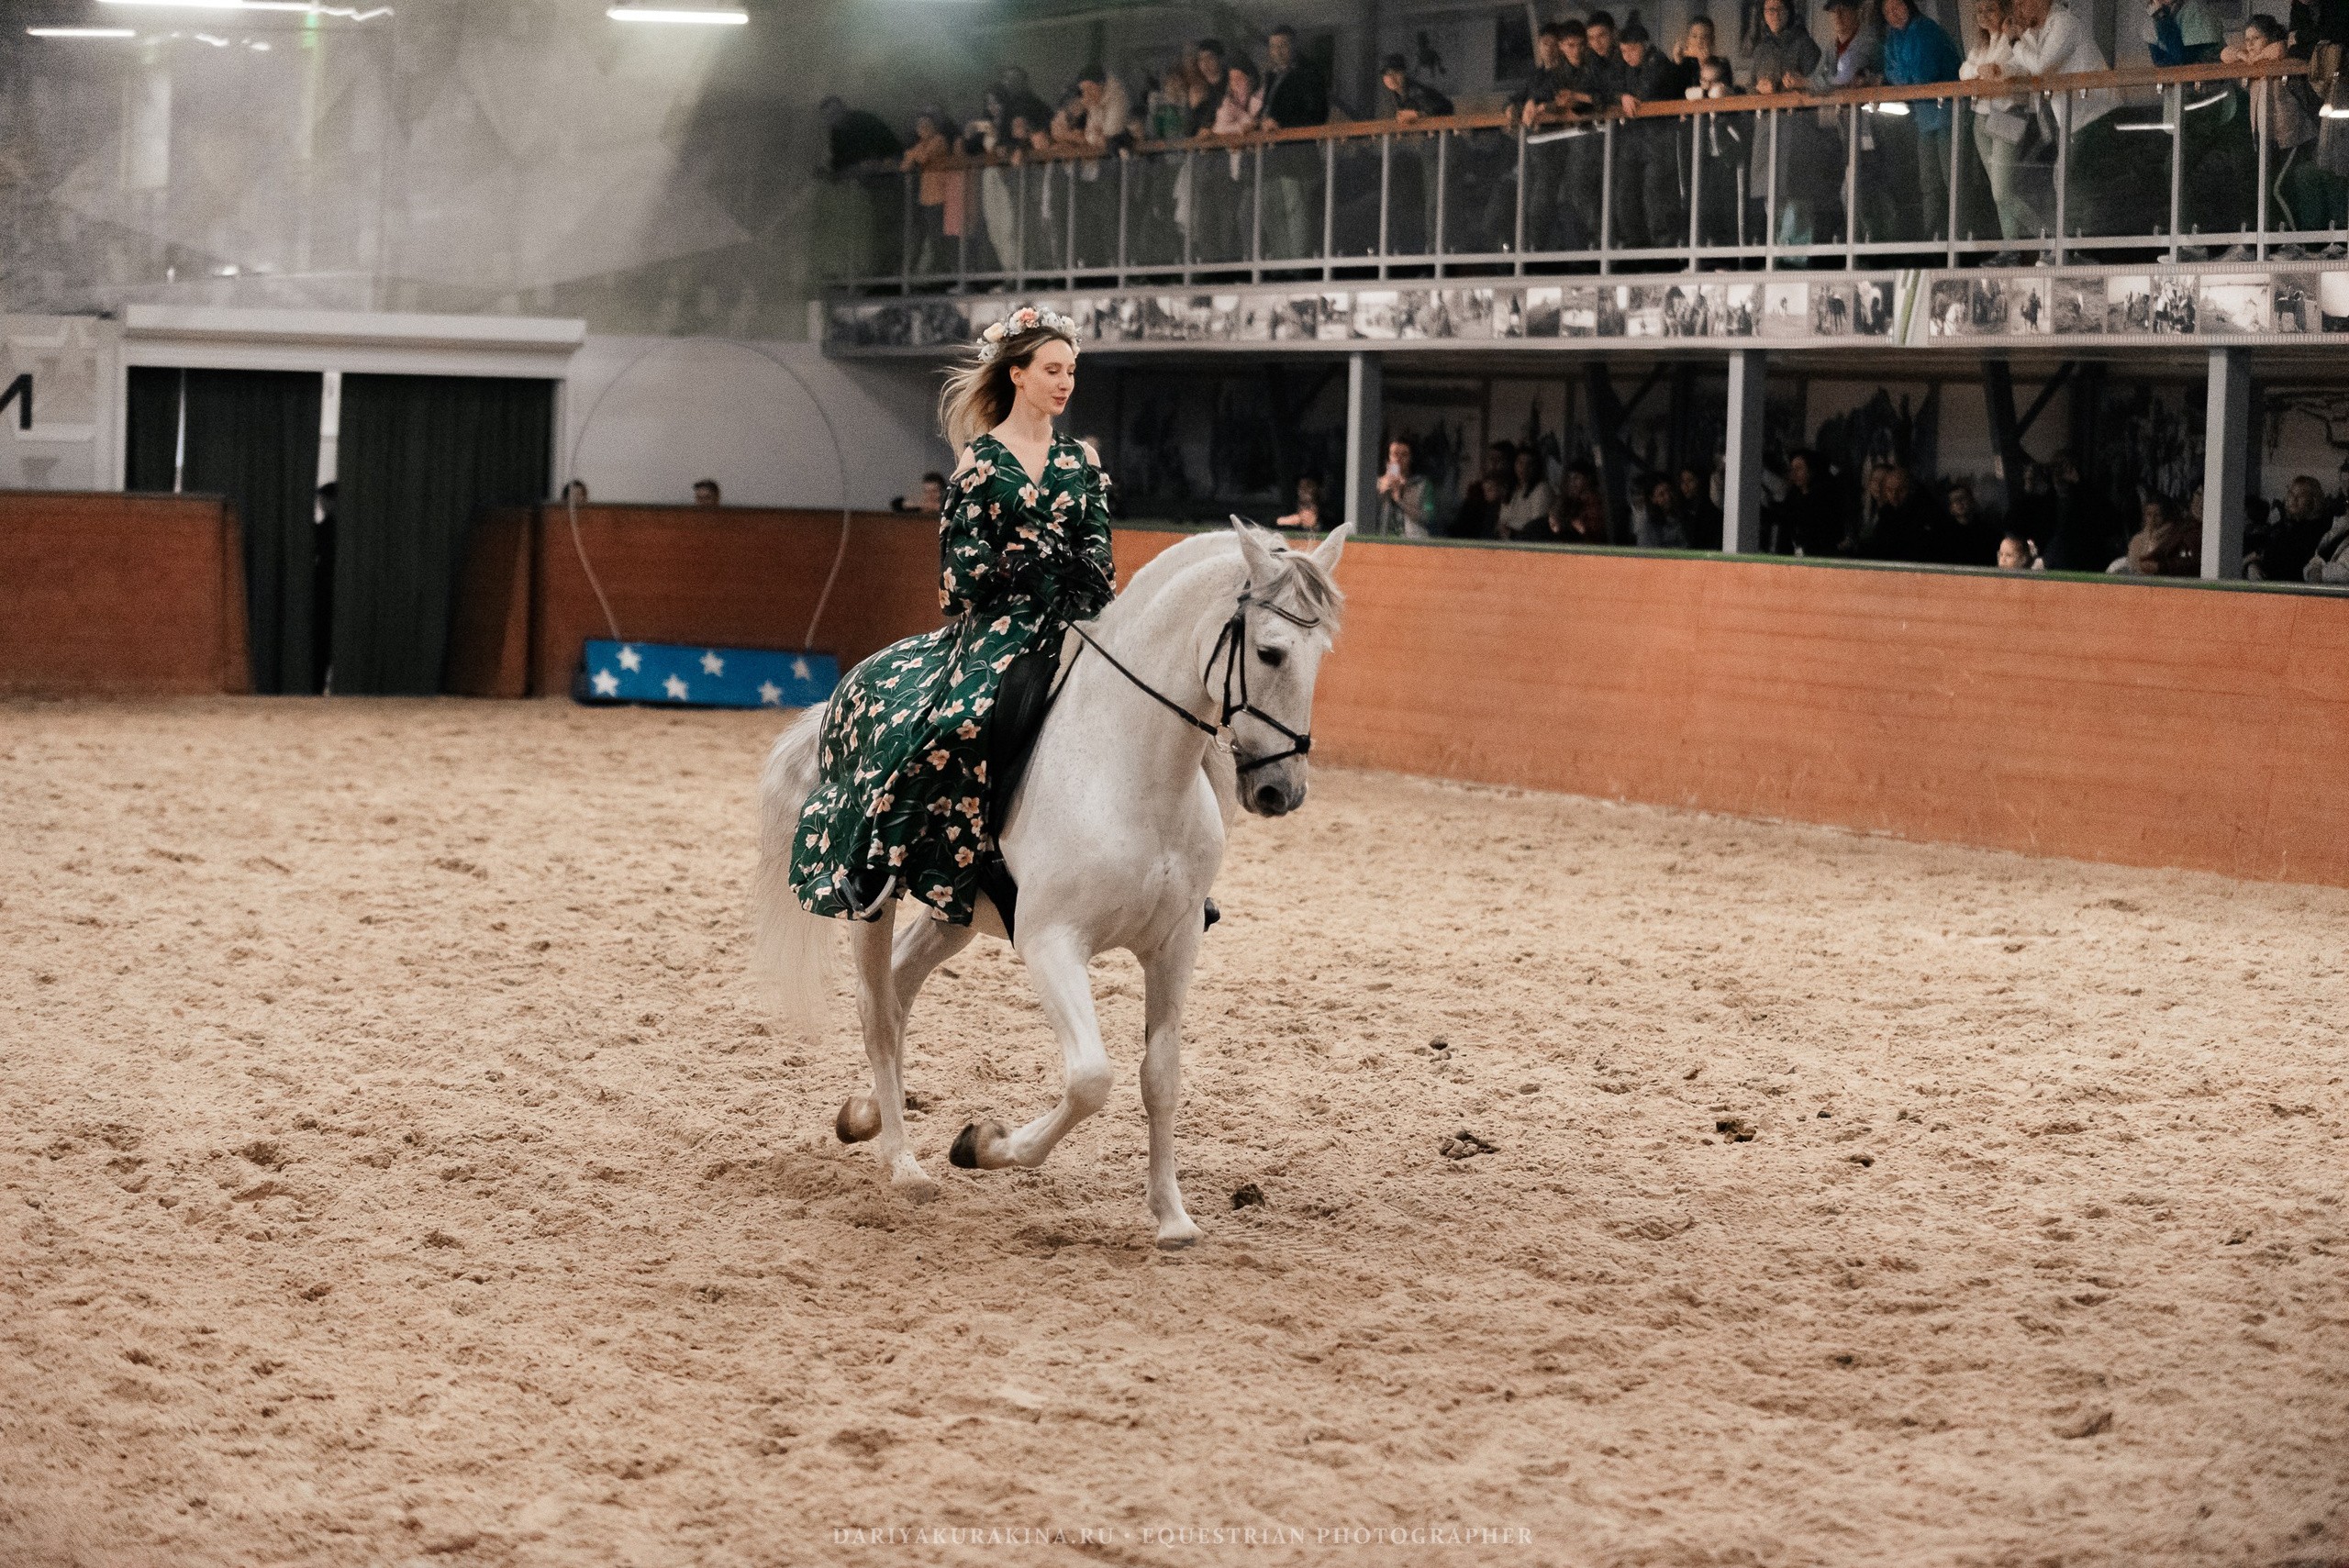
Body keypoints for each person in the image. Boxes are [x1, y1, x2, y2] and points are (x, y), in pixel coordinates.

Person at [787, 306, 1113, 927]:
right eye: (1052, 369)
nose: (1065, 382)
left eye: (1071, 370)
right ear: (1018, 374)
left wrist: (1080, 571)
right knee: (956, 723)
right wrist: (1023, 569)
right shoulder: (979, 463)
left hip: (1078, 623)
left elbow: (1099, 553)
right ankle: (877, 861)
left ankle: (1170, 875)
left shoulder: (1084, 463)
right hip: (998, 629)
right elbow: (959, 574)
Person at [1985, 0, 2122, 239]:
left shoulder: (2063, 23)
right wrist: (2000, 70)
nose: (2018, 8)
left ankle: (2074, 246)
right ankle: (2067, 244)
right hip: (2063, 121)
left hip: (2091, 115)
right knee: (2064, 182)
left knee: (2070, 182)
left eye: (2023, 2)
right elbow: (2019, 64)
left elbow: (2040, 65)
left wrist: (2014, 41)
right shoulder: (2031, 32)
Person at [1746, 0, 1826, 255]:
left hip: (1797, 134)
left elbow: (1821, 85)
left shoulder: (1805, 45)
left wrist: (1800, 83)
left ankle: (1795, 261)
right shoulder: (1760, 50)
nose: (1773, 14)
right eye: (1769, 9)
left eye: (1778, 9)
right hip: (1768, 132)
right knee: (1772, 202)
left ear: (1789, 12)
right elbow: (1748, 88)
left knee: (1797, 199)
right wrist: (1759, 89)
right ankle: (1777, 258)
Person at [1881, 0, 1964, 244]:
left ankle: (1958, 238)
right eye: (1887, 12)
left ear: (1909, 5)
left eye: (1897, 7)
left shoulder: (1926, 29)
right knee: (1930, 184)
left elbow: (1923, 74)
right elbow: (1892, 73)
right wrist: (1905, 79)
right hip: (1924, 120)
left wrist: (1905, 79)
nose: (1893, 15)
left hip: (1949, 114)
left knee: (1952, 182)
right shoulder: (1894, 39)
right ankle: (1934, 239)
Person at [1961, 0, 2033, 261]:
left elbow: (2002, 69)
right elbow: (1964, 71)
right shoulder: (1982, 45)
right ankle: (2010, 248)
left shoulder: (2013, 39)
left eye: (1990, 9)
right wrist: (1979, 69)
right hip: (1981, 117)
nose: (1984, 15)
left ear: (2003, 11)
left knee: (2002, 190)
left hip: (2008, 113)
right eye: (1979, 11)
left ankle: (2045, 234)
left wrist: (1982, 71)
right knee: (1998, 191)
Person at [1613, 20, 1687, 250]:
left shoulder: (1659, 63)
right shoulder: (1626, 69)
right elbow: (1607, 87)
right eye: (1623, 51)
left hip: (1659, 141)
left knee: (1656, 199)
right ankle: (1636, 250)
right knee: (1626, 197)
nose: (1627, 56)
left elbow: (1647, 91)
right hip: (1634, 142)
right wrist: (1619, 96)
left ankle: (1661, 253)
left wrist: (1625, 94)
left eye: (1632, 50)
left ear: (1644, 45)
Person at [1260, 26, 1330, 261]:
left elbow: (1316, 114)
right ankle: (1282, 261)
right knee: (1272, 210)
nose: (1277, 51)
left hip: (1297, 155)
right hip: (1273, 157)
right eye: (1273, 46)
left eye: (1283, 45)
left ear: (1294, 46)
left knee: (1295, 209)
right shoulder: (1272, 76)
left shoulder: (1308, 73)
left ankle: (1296, 262)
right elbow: (1269, 110)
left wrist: (1279, 123)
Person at [2248, 473, 2335, 578]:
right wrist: (2254, 565)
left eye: (2301, 495)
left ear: (2313, 499)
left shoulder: (2323, 530)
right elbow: (2264, 552)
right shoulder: (2282, 527)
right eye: (2291, 493)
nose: (2294, 498)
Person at [1763, 449, 1841, 555]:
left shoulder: (1824, 500)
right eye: (1792, 469)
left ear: (1812, 470)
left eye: (1799, 468)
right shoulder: (1792, 497)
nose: (1794, 474)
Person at [2112, 495, 2200, 575]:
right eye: (2149, 514)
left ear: (2165, 516)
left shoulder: (2173, 539)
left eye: (2157, 515)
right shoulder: (2137, 540)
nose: (2152, 519)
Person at [1452, 441, 1519, 538]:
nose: (1494, 463)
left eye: (1499, 459)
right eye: (1491, 459)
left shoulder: (1515, 487)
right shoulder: (1477, 488)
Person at [1375, 437, 1437, 537]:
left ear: (1411, 458)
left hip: (1413, 543)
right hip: (1382, 542)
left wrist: (1399, 500)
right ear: (1388, 457)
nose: (1398, 459)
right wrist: (1381, 493)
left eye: (1404, 455)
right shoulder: (1376, 484)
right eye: (1395, 454)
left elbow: (1428, 517)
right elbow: (1363, 516)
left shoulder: (1422, 485)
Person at [310, 481, 337, 695]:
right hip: (325, 589)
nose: (321, 506)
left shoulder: (325, 529)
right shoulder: (326, 528)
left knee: (321, 643)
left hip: (324, 590)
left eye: (323, 502)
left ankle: (318, 686)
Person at [1499, 447, 1557, 539]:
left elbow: (1537, 526)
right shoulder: (1511, 490)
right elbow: (1502, 520)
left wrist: (1513, 532)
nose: (1524, 468)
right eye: (1520, 463)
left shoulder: (1542, 490)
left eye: (1529, 464)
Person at [1552, 462, 1609, 540]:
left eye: (1576, 478)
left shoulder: (1593, 502)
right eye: (1570, 478)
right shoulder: (1571, 501)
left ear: (1588, 479)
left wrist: (1580, 527)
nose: (1572, 483)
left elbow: (1595, 534)